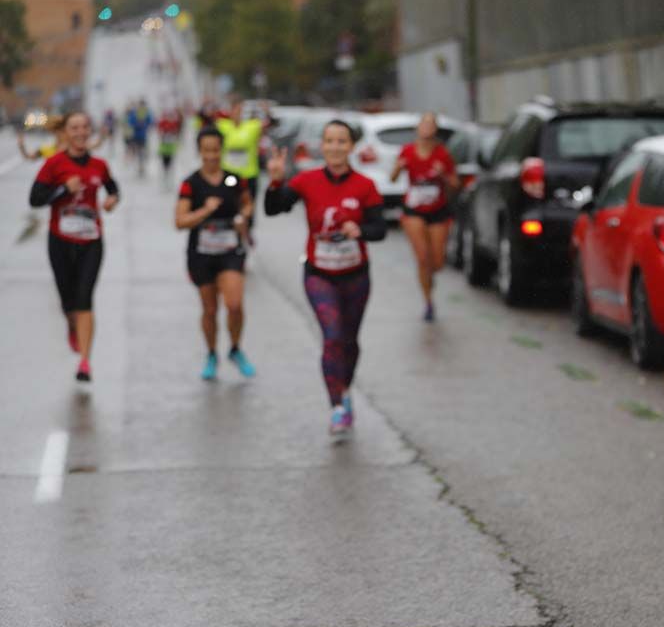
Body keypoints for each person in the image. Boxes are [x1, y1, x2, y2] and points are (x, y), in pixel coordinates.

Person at [264, 120, 386, 441]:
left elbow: (381, 229)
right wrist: (275, 182)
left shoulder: (365, 186)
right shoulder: (307, 180)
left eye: (341, 141)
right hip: (319, 274)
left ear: (351, 146)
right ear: (322, 145)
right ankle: (337, 407)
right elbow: (274, 210)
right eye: (329, 141)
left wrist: (360, 231)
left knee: (349, 341)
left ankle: (344, 388)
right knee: (332, 336)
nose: (334, 147)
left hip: (356, 275)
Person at [29, 111, 121, 382]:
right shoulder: (54, 164)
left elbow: (114, 189)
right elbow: (35, 199)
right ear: (66, 133)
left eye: (84, 127)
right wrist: (62, 191)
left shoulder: (99, 165)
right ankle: (72, 324)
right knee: (68, 301)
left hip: (91, 241)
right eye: (75, 127)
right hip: (60, 241)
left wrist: (112, 200)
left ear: (89, 131)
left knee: (85, 298)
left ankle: (84, 362)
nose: (81, 132)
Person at [175, 127, 256, 380]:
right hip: (201, 253)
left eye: (215, 150)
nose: (211, 155)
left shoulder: (233, 179)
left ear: (222, 150)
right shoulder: (191, 184)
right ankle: (211, 353)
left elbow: (247, 202)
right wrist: (204, 211)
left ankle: (235, 348)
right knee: (210, 309)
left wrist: (243, 216)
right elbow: (179, 221)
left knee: (234, 304)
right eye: (206, 150)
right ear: (199, 151)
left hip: (230, 249)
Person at [389, 112, 458, 321]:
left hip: (438, 210)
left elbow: (456, 184)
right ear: (418, 128)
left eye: (431, 124)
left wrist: (443, 175)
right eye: (424, 124)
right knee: (422, 258)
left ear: (435, 130)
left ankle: (429, 277)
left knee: (437, 262)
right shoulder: (407, 151)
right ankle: (428, 302)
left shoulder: (442, 154)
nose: (427, 128)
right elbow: (392, 179)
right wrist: (398, 168)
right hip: (414, 211)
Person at [216, 98, 263, 241]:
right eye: (235, 110)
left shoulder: (252, 126)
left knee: (249, 207)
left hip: (248, 175)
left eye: (240, 111)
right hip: (229, 176)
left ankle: (247, 231)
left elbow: (267, 122)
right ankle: (232, 232)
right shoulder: (222, 126)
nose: (237, 113)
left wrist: (262, 109)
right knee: (230, 206)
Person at [126, 99, 154, 177]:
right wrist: (137, 124)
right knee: (137, 151)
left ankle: (141, 166)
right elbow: (130, 121)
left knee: (141, 151)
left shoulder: (146, 112)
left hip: (143, 136)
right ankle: (138, 166)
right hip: (136, 135)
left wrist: (145, 124)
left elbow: (151, 121)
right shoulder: (135, 112)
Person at [158, 109, 182, 186]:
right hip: (164, 147)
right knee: (164, 164)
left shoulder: (174, 123)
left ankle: (169, 180)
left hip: (171, 147)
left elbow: (177, 132)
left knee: (171, 163)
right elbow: (159, 131)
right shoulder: (163, 122)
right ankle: (165, 179)